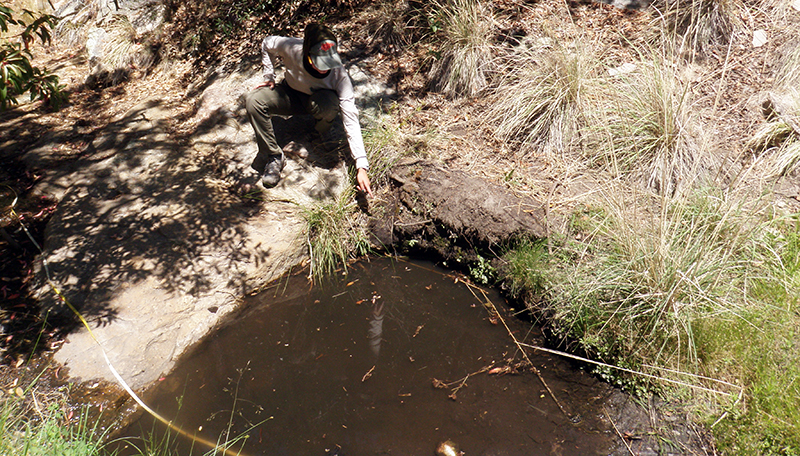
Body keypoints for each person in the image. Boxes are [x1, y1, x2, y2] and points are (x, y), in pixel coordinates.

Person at [245, 23, 373, 197]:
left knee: (329, 104)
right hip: (289, 95)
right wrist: (269, 76)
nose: (324, 68)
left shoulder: (339, 75)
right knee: (254, 100)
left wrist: (361, 165)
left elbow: (351, 117)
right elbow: (267, 43)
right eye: (318, 61)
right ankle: (274, 156)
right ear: (307, 52)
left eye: (328, 61)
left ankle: (321, 130)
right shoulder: (292, 47)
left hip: (318, 103)